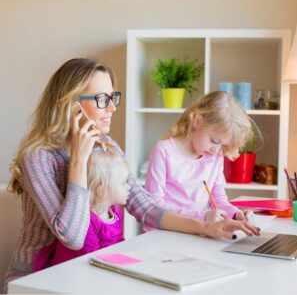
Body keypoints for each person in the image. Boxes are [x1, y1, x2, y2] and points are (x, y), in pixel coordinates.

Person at [4, 59, 259, 292]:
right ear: (71, 106)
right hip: (36, 280)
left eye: (113, 97)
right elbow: (72, 236)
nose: (113, 107)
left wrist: (206, 227)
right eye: (102, 99)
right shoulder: (39, 157)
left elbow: (145, 207)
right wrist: (79, 160)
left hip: (84, 272)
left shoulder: (106, 145)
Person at [145, 91, 257, 224]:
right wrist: (200, 217)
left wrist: (235, 213)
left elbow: (218, 199)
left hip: (198, 231)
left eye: (222, 145)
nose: (216, 149)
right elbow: (154, 206)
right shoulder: (164, 151)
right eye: (215, 141)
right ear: (197, 121)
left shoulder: (215, 156)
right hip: (164, 232)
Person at [33, 145, 130, 271]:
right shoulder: (87, 221)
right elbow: (91, 259)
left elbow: (119, 243)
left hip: (100, 269)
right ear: (102, 191)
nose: (129, 187)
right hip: (73, 273)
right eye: (123, 183)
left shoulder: (115, 212)